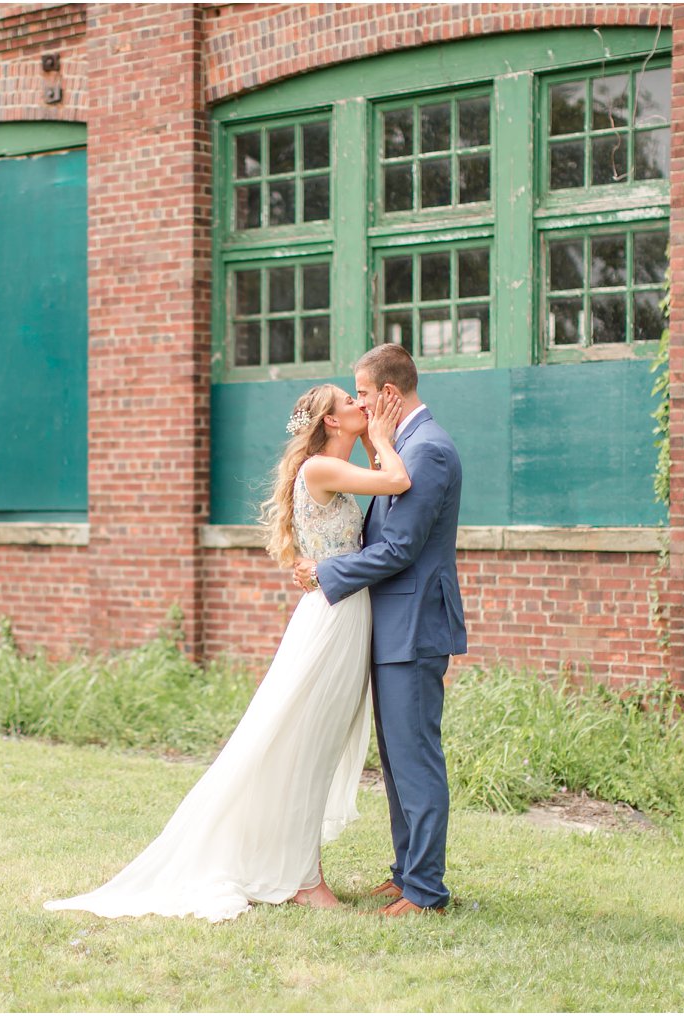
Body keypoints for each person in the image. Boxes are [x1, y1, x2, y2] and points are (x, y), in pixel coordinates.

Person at [45, 383, 410, 922]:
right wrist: (382, 434)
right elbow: (399, 480)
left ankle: (300, 869)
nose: (362, 405)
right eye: (350, 402)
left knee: (314, 746)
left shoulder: (332, 470)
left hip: (345, 615)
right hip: (331, 622)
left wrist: (377, 441)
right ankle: (305, 879)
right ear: (331, 423)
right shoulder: (318, 470)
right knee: (302, 746)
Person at [292, 342, 466, 917]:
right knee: (396, 760)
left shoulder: (429, 451)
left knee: (415, 758)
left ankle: (425, 891)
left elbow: (400, 547)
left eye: (364, 393)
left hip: (413, 627)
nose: (361, 405)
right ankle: (405, 871)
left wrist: (325, 571)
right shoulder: (398, 448)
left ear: (389, 394)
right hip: (389, 626)